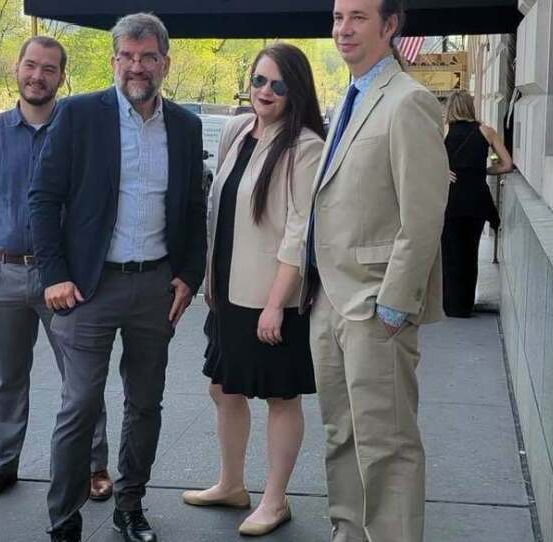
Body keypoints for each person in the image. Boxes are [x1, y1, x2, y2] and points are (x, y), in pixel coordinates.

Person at [28, 13, 206, 542]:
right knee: (79, 404)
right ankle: (64, 519)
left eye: (147, 56)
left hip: (155, 288)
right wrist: (54, 276)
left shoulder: (185, 125)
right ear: (113, 62)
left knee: (145, 403)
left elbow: (195, 209)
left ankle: (131, 506)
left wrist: (189, 276)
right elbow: (43, 199)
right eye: (126, 57)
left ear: (164, 63)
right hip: (88, 288)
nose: (137, 66)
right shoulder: (81, 116)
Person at [300, 1, 449, 540]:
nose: (343, 29)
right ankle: (347, 531)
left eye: (358, 17)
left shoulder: (409, 102)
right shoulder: (352, 94)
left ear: (390, 27)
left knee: (387, 445)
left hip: (374, 306)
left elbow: (424, 214)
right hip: (330, 300)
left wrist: (394, 305)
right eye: (339, 17)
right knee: (341, 433)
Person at [181, 43, 325, 537]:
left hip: (272, 300)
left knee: (281, 397)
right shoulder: (238, 130)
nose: (265, 91)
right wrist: (209, 280)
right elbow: (219, 211)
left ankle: (275, 499)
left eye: (278, 85)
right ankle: (231, 484)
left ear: (296, 91)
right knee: (223, 387)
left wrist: (274, 305)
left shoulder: (305, 148)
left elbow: (299, 232)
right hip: (228, 292)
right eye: (259, 80)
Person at [0, 36, 111, 506]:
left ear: (62, 77)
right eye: (31, 65)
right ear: (17, 69)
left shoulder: (77, 131)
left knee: (80, 376)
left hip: (63, 280)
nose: (38, 76)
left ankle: (94, 466)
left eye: (49, 69)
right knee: (7, 377)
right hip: (2, 274)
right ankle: (2, 464)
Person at [442, 90, 513, 317]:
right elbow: (507, 164)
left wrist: (443, 172)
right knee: (470, 253)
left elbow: (423, 160)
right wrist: (483, 170)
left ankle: (449, 304)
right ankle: (465, 305)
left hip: (450, 201)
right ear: (470, 107)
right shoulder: (487, 131)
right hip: (476, 201)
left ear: (451, 108)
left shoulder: (443, 132)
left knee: (450, 253)